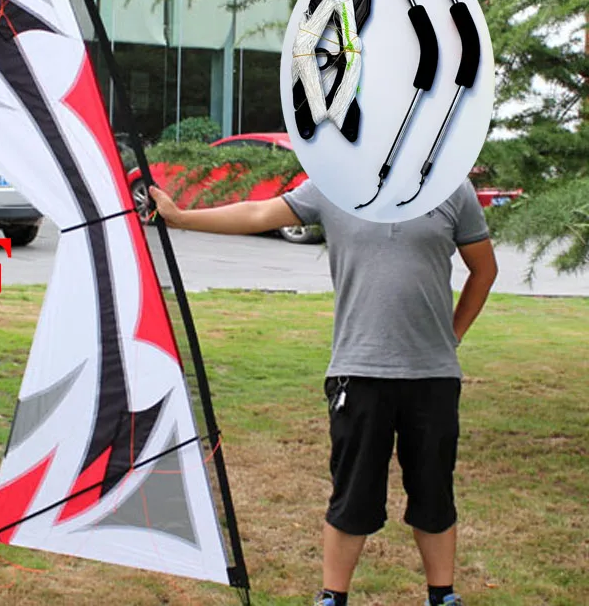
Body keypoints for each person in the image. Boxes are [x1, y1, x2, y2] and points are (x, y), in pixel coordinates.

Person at [148, 178, 498, 606]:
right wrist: (181, 217)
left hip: (432, 376)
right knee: (352, 493)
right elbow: (259, 214)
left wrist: (452, 336)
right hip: (358, 371)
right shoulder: (336, 181)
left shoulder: (450, 187)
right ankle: (334, 597)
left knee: (434, 491)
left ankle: (442, 596)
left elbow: (484, 270)